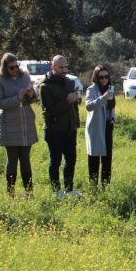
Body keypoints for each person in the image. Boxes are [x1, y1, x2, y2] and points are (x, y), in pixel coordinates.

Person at [0, 53, 38, 196]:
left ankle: (29, 192)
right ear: (4, 67)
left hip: (26, 123)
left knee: (25, 158)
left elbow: (33, 99)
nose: (15, 69)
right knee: (12, 159)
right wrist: (17, 98)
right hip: (9, 125)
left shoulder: (25, 76)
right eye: (12, 67)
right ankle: (10, 192)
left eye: (17, 66)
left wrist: (31, 94)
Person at [38, 54, 83, 198]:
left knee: (71, 160)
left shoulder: (70, 82)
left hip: (70, 129)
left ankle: (69, 189)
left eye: (65, 67)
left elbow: (74, 106)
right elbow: (49, 111)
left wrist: (75, 122)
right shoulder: (45, 86)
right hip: (54, 130)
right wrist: (68, 101)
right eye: (60, 67)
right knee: (55, 161)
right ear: (53, 67)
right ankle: (56, 191)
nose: (64, 70)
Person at [85, 65, 116, 189]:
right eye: (101, 77)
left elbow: (112, 107)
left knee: (107, 159)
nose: (104, 79)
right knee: (94, 159)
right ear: (96, 77)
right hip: (96, 129)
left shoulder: (110, 89)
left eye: (106, 77)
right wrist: (103, 98)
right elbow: (88, 106)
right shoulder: (92, 89)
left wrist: (113, 118)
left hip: (107, 128)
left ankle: (105, 187)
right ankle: (93, 187)